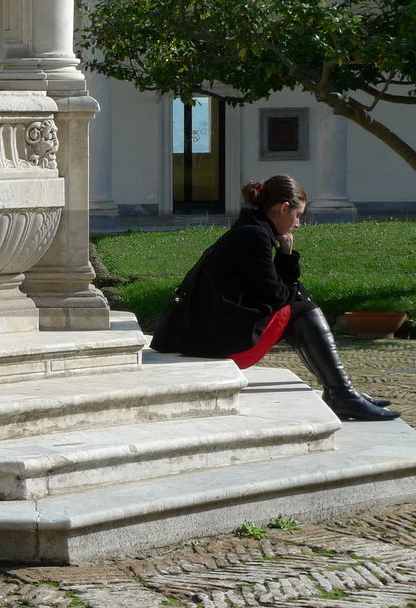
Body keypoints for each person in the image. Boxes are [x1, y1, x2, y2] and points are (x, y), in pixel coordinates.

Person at [150, 174, 399, 422]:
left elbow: (274, 290)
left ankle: (342, 393)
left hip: (203, 331)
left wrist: (286, 257)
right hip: (209, 339)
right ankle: (342, 394)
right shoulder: (253, 236)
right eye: (298, 215)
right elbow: (278, 295)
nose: (298, 224)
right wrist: (287, 258)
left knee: (301, 301)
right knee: (304, 309)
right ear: (283, 208)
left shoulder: (252, 229)